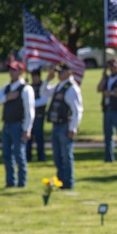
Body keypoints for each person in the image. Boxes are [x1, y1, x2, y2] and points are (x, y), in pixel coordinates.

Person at [0, 61, 35, 188]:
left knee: (19, 154)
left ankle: (22, 182)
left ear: (20, 72)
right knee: (6, 154)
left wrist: (27, 128)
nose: (11, 73)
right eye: (10, 70)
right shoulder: (7, 87)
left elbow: (30, 110)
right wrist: (7, 97)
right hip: (7, 124)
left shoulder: (26, 89)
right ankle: (10, 182)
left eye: (14, 70)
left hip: (18, 124)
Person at [45, 61, 83, 189]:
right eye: (58, 72)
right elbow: (44, 93)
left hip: (65, 125)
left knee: (66, 156)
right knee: (57, 156)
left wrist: (73, 127)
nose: (59, 75)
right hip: (56, 125)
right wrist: (47, 80)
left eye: (61, 72)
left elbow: (77, 110)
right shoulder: (58, 86)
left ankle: (68, 183)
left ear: (69, 72)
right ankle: (60, 182)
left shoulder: (72, 88)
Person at [26, 66, 51, 163]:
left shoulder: (43, 87)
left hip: (39, 115)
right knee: (29, 137)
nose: (34, 78)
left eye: (35, 76)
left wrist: (30, 104)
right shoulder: (29, 87)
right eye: (33, 76)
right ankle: (28, 156)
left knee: (39, 137)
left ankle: (41, 156)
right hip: (29, 116)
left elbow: (44, 100)